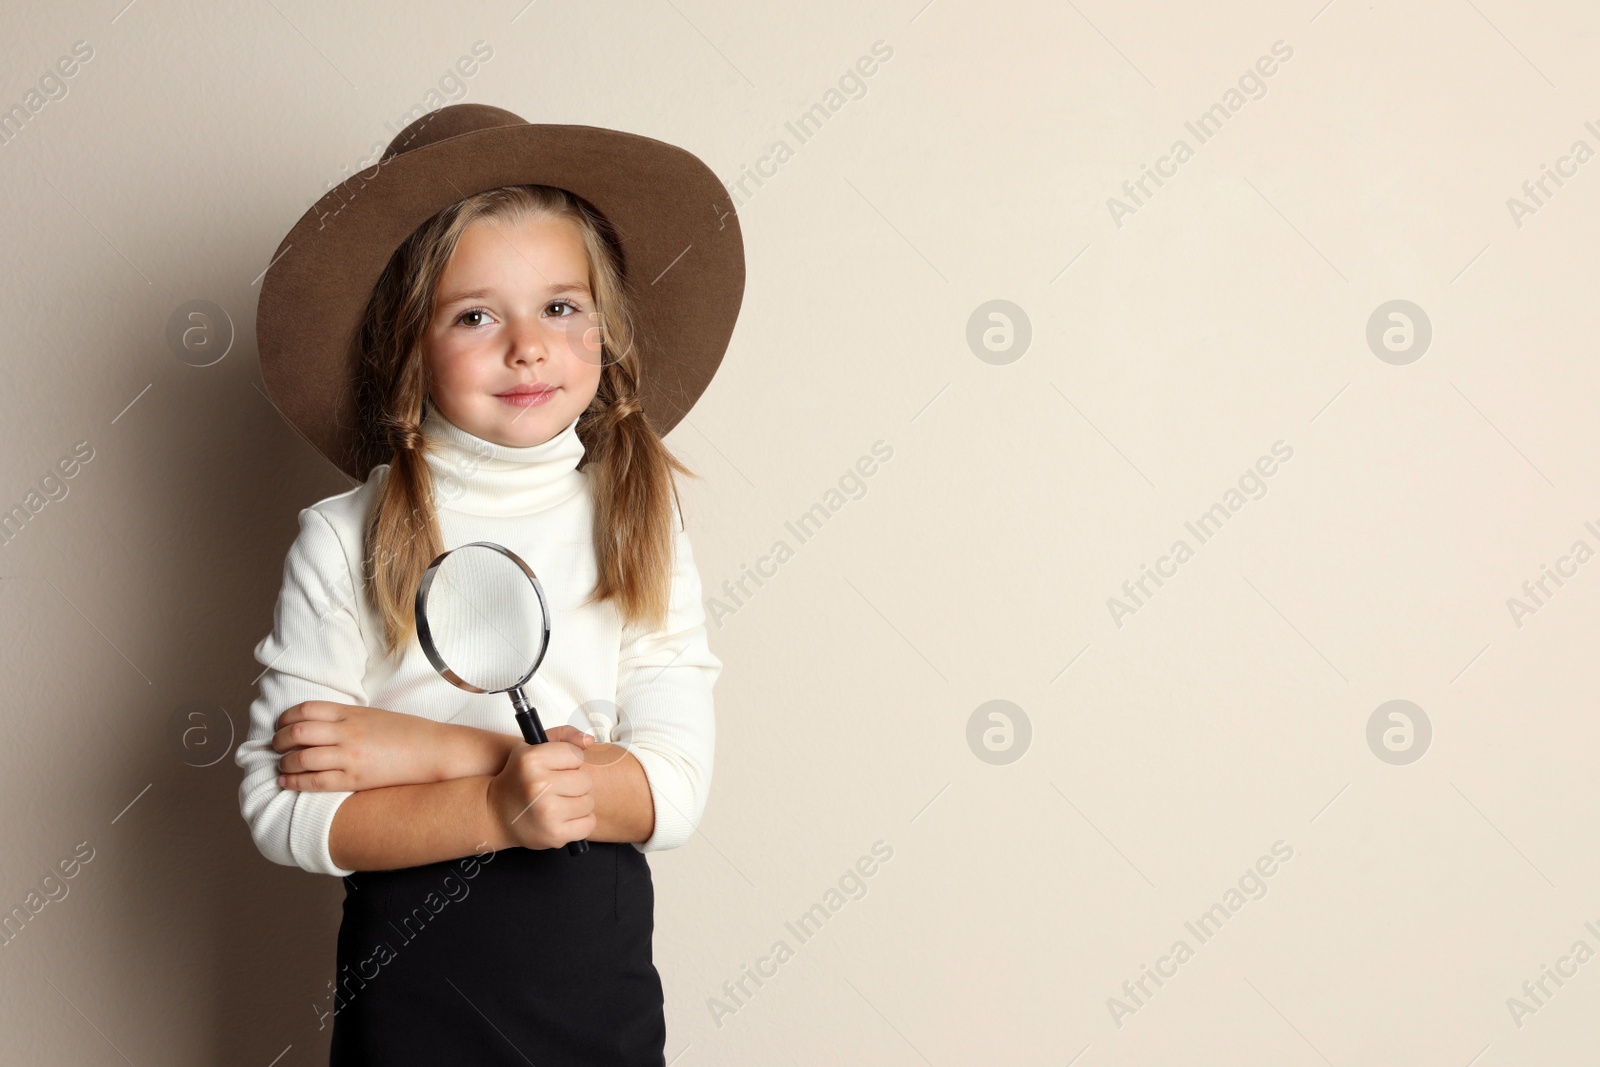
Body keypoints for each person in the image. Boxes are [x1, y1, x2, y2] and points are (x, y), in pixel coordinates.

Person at [234, 104, 745, 1066]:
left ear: (607, 328)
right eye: (475, 314)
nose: (528, 345)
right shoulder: (343, 537)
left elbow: (672, 791)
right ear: (407, 343)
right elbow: (281, 806)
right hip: (415, 994)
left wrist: (417, 747)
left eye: (561, 305)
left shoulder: (637, 518)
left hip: (596, 992)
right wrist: (503, 802)